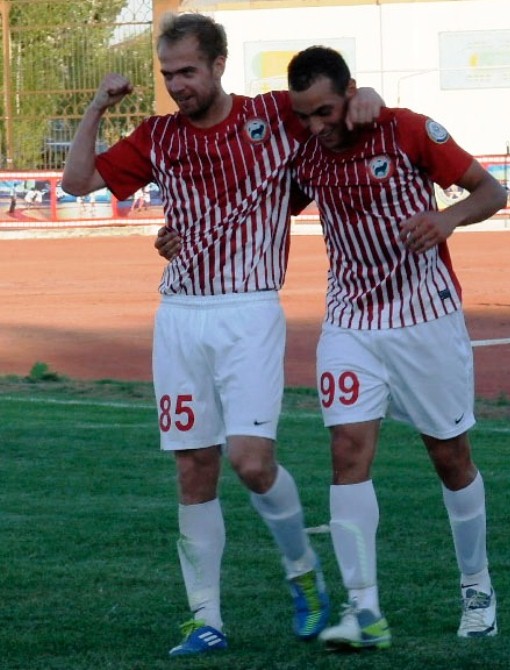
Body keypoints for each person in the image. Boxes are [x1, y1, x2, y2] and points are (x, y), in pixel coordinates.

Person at [60, 13, 382, 659]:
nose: (178, 85)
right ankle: (205, 618)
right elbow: (77, 182)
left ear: (217, 64)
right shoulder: (157, 136)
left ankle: (302, 570)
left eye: (188, 71)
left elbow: (341, 108)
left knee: (251, 462)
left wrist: (366, 94)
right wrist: (97, 106)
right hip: (179, 317)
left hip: (250, 312)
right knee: (192, 467)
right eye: (168, 74)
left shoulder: (272, 115)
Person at [285, 46, 507, 650]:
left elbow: (491, 191)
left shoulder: (407, 130)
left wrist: (447, 219)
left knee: (450, 458)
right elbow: (266, 206)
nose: (316, 126)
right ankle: (364, 611)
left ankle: (477, 587)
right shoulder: (306, 152)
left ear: (350, 92)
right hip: (350, 322)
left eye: (325, 111)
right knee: (346, 452)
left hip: (426, 320)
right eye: (304, 115)